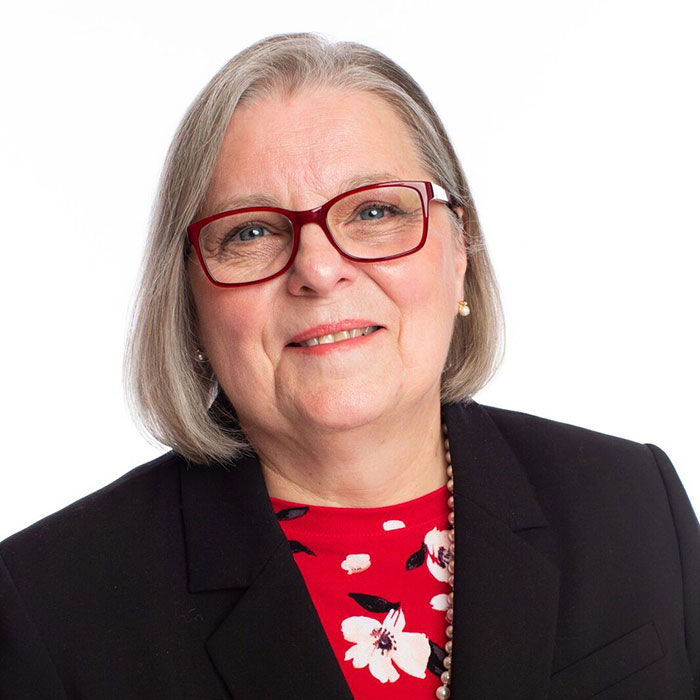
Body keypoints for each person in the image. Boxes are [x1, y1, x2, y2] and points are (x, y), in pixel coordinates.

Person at [0, 31, 698, 700]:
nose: (318, 268)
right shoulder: (47, 605)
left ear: (461, 253)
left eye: (374, 212)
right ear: (188, 301)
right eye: (251, 231)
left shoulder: (635, 504)